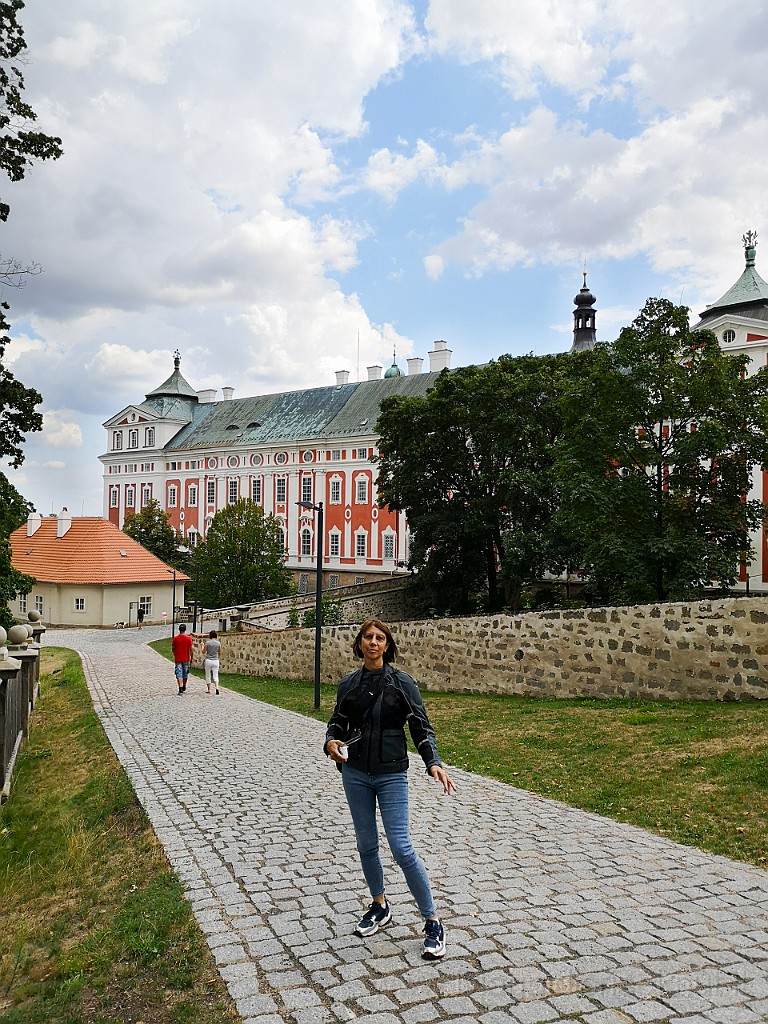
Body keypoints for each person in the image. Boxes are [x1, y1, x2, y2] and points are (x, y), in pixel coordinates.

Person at [324, 618, 456, 961]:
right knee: (366, 844)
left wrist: (433, 762)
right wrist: (330, 742)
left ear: (387, 645)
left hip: (391, 774)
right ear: (359, 643)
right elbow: (337, 722)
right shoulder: (348, 684)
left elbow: (420, 726)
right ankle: (380, 905)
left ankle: (432, 921)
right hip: (354, 773)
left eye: (379, 638)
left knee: (401, 846)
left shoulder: (402, 683)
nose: (373, 642)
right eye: (367, 637)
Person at [171, 623, 194, 694]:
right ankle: (184, 685)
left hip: (178, 658)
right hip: (186, 658)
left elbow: (173, 648)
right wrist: (191, 657)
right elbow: (191, 649)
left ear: (179, 630)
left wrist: (175, 654)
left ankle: (180, 687)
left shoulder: (175, 638)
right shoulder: (188, 638)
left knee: (179, 673)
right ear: (185, 629)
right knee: (185, 673)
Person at [202, 629, 221, 694]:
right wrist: (218, 657)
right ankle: (217, 687)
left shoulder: (207, 643)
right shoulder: (218, 643)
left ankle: (209, 689)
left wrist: (202, 645)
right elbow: (220, 652)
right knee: (216, 675)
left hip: (208, 660)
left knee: (208, 675)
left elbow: (203, 651)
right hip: (215, 660)